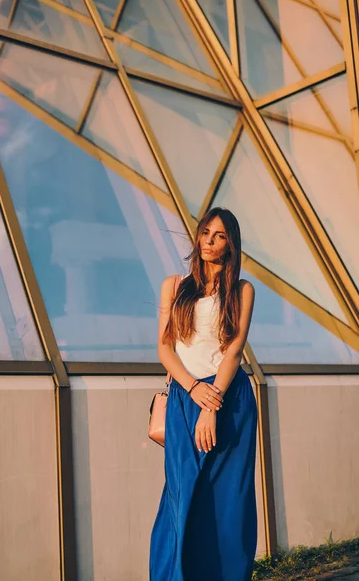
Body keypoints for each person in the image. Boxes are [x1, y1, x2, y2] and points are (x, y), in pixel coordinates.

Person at [149, 207, 258, 581]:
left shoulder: (242, 289)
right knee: (182, 496)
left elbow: (234, 347)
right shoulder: (174, 285)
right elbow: (165, 349)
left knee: (229, 501)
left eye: (220, 236)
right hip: (185, 397)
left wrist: (212, 402)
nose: (209, 241)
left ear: (231, 245)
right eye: (206, 233)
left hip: (229, 398)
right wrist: (193, 388)